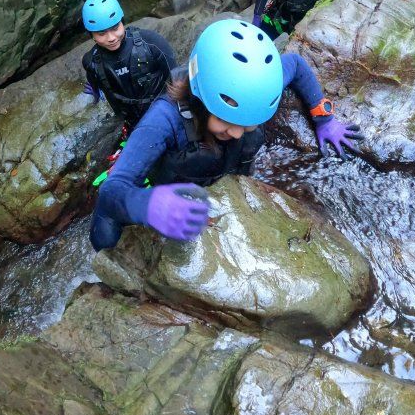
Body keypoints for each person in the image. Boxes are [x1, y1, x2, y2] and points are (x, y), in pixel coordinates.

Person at [89, 18, 363, 251]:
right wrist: (146, 204)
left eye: (247, 124)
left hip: (227, 176)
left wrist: (324, 120)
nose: (235, 133)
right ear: (200, 101)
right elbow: (112, 191)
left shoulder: (253, 88)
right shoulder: (163, 120)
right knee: (105, 233)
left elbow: (295, 65)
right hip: (176, 186)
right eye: (226, 120)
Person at [81, 0, 177, 128]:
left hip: (162, 113)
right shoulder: (91, 62)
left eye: (115, 28)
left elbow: (176, 78)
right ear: (91, 35)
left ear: (122, 22)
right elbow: (96, 89)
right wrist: (96, 93)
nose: (111, 38)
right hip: (130, 121)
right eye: (101, 33)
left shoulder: (152, 43)